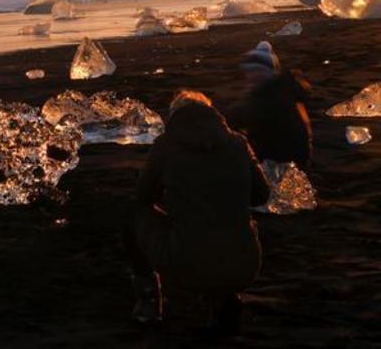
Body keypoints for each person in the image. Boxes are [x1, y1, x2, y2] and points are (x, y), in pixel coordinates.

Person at [124, 90, 270, 335]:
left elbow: (143, 196)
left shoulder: (166, 146)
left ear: (175, 117)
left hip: (187, 262)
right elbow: (261, 195)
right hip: (246, 264)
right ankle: (224, 295)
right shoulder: (237, 143)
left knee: (133, 215)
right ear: (212, 114)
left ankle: (148, 299)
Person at [227, 41, 312, 169]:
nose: (251, 76)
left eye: (256, 71)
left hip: (282, 162)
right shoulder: (282, 90)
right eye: (249, 72)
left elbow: (240, 115)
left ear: (269, 72)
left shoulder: (273, 96)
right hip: (290, 157)